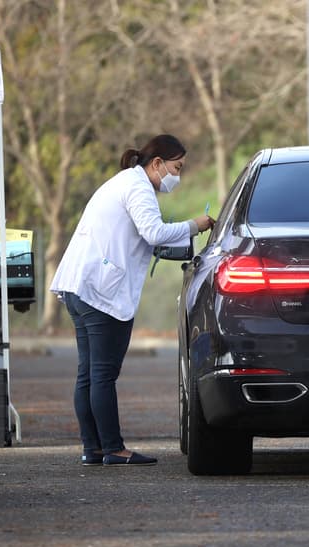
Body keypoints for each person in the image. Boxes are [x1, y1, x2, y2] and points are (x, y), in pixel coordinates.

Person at [51, 134, 214, 467]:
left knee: (88, 373)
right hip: (98, 289)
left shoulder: (122, 182)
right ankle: (113, 448)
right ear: (157, 164)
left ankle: (92, 448)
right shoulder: (138, 187)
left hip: (80, 285)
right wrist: (194, 226)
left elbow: (140, 237)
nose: (177, 176)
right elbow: (153, 232)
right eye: (176, 167)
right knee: (102, 374)